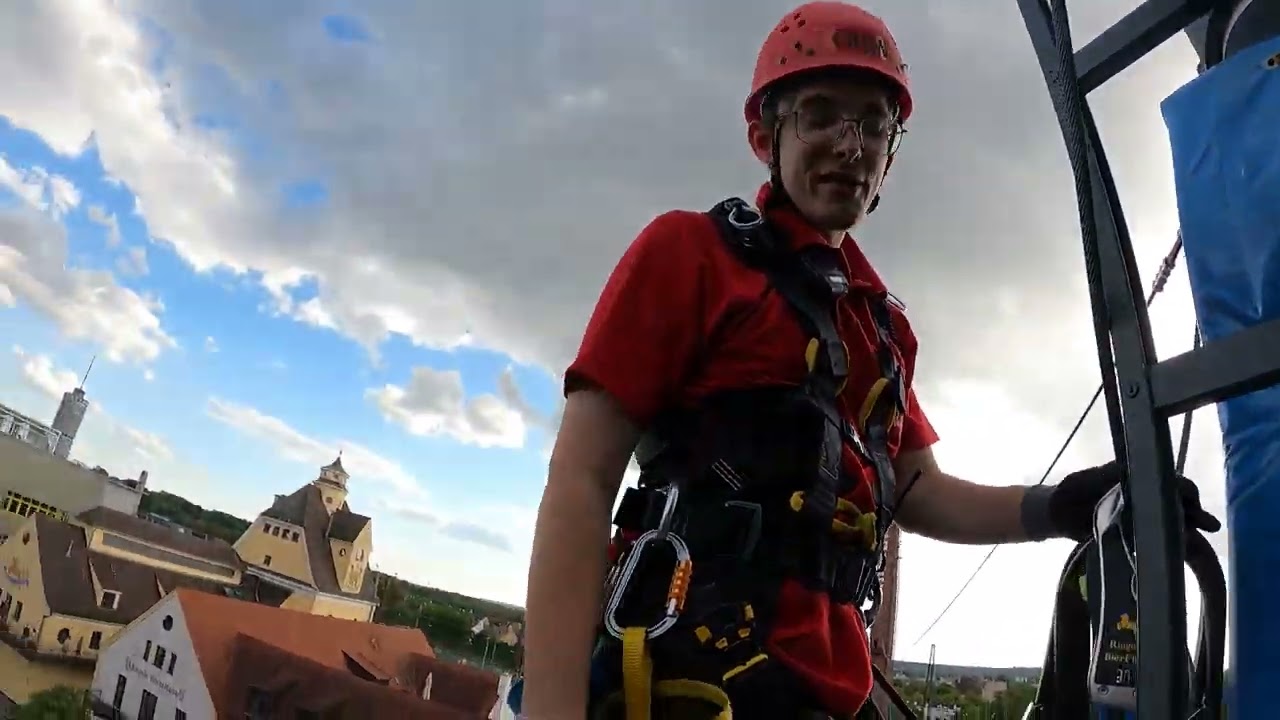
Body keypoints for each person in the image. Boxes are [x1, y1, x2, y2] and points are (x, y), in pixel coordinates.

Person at [520, 3, 1220, 719]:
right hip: (688, 683)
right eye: (821, 115)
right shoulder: (690, 257)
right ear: (766, 134)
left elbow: (919, 489)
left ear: (891, 152)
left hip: (827, 691)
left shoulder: (879, 324)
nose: (851, 145)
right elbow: (583, 476)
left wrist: (1069, 504)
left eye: (874, 124)